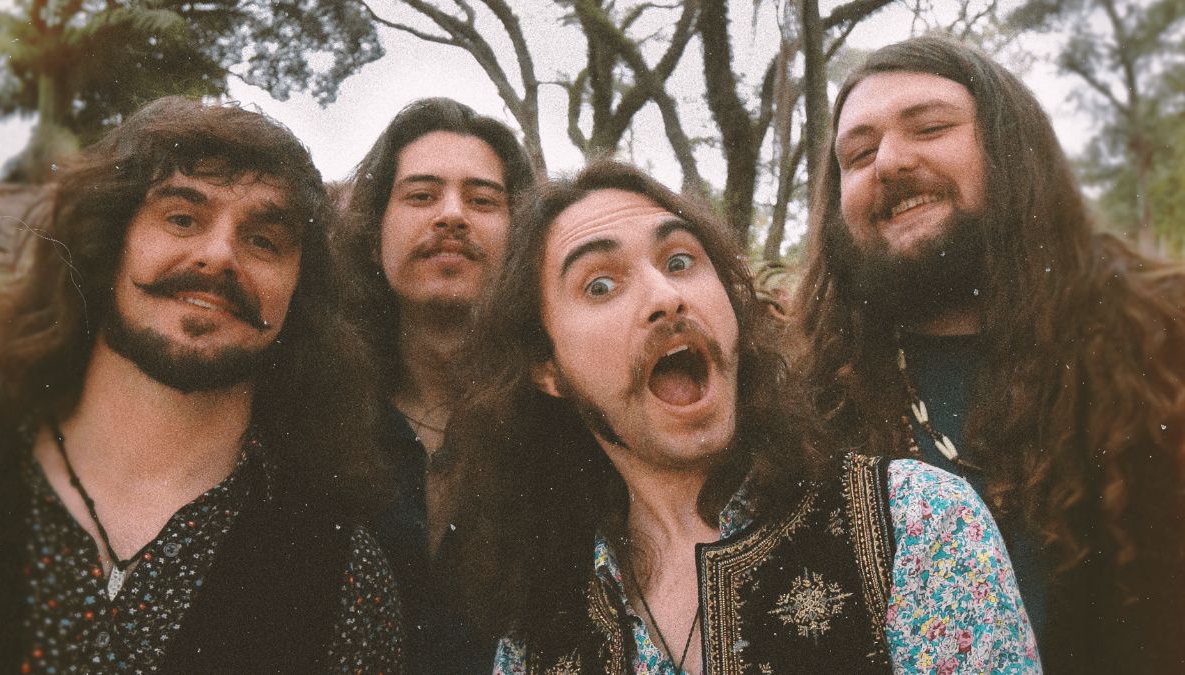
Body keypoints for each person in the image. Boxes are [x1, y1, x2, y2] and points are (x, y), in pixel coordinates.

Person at [445, 160, 1039, 673]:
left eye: (681, 261)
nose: (665, 297)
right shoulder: (538, 633)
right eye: (600, 285)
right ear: (546, 367)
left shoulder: (915, 521)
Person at [795, 35, 1185, 672]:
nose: (889, 162)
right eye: (858, 155)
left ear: (1012, 150)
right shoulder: (811, 404)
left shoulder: (1164, 342)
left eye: (930, 127)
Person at [0, 97, 404, 672]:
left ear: (299, 295)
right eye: (182, 218)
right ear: (107, 242)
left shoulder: (345, 575)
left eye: (264, 241)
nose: (218, 255)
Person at [335, 97, 534, 672]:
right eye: (421, 196)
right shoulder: (315, 414)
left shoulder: (563, 422)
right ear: (374, 232)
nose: (452, 216)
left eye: (483, 201)